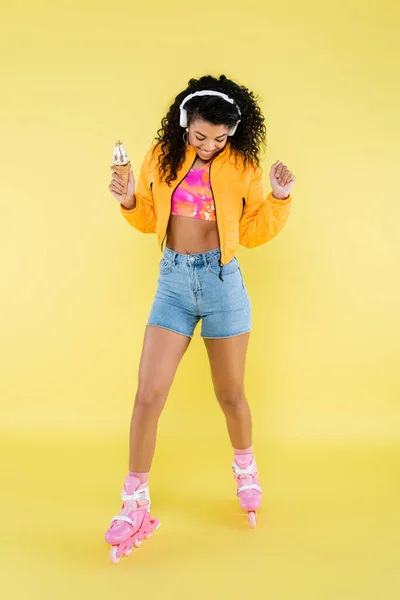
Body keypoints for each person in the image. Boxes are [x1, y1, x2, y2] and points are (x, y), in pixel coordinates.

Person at [105, 74, 296, 559]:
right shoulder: (161, 159)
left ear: (232, 131)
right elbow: (150, 217)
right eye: (200, 136)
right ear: (184, 124)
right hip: (172, 281)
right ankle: (134, 499)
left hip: (222, 283)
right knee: (148, 394)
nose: (209, 146)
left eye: (219, 137)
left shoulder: (243, 166)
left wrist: (276, 197)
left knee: (231, 394)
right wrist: (127, 198)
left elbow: (251, 232)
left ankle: (246, 468)